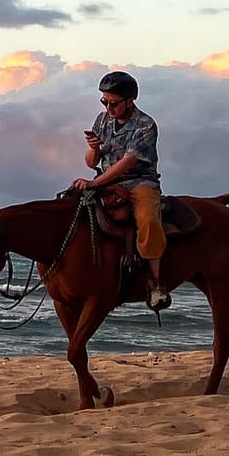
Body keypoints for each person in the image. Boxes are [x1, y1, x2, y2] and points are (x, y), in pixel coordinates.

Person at [71, 69, 169, 312]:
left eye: (113, 103)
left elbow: (128, 162)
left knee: (147, 221)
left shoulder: (146, 125)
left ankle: (156, 284)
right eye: (104, 101)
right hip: (105, 180)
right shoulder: (102, 120)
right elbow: (91, 162)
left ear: (129, 101)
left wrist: (95, 183)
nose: (108, 108)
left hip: (139, 182)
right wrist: (94, 148)